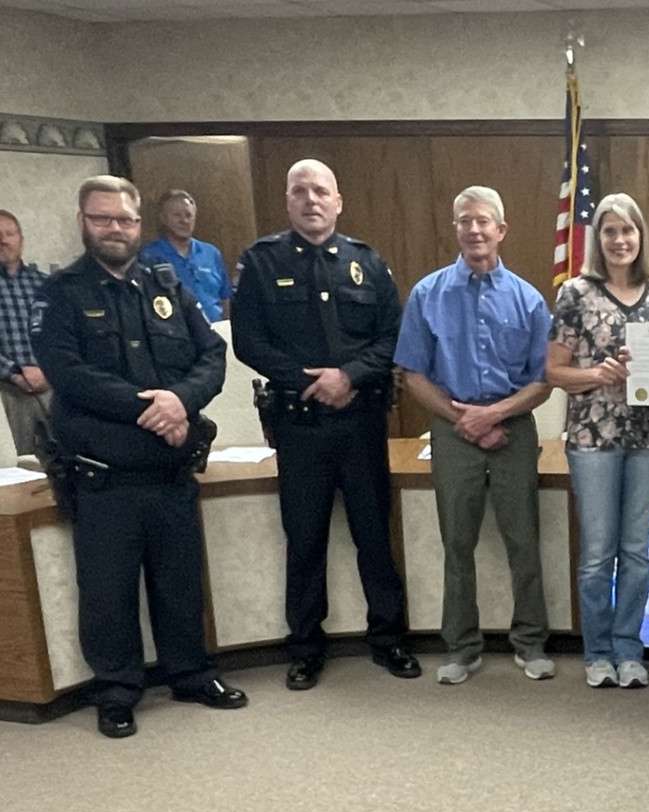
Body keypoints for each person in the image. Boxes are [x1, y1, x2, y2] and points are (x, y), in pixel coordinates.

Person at [32, 175, 243, 738]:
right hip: (105, 478)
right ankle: (118, 691)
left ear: (137, 224)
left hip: (170, 470)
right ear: (84, 223)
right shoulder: (61, 293)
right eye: (103, 219)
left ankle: (191, 673)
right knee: (108, 592)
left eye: (124, 219)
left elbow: (211, 353)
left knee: (180, 583)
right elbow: (68, 374)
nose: (115, 229)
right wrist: (153, 407)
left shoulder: (165, 283)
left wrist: (182, 400)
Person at [231, 158, 419, 689]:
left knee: (374, 537)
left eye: (321, 191)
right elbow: (248, 341)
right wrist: (311, 380)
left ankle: (388, 639)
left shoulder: (367, 262)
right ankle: (305, 647)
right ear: (288, 202)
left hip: (360, 424)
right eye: (300, 191)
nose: (311, 200)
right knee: (305, 539)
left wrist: (350, 376)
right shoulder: (261, 262)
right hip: (300, 426)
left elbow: (391, 336)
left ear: (338, 202)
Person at [396, 185, 554, 686]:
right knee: (456, 543)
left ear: (501, 230)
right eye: (465, 220)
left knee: (523, 542)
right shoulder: (427, 294)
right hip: (451, 431)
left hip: (514, 430)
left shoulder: (529, 300)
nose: (474, 229)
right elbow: (412, 374)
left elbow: (543, 380)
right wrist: (463, 420)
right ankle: (461, 648)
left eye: (483, 221)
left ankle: (530, 643)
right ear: (456, 229)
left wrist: (495, 416)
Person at [548, 192, 649, 690]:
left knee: (637, 550)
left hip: (647, 437)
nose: (620, 240)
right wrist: (598, 373)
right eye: (610, 231)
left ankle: (629, 648)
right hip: (592, 438)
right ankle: (597, 650)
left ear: (641, 237)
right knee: (598, 552)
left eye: (628, 230)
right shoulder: (575, 293)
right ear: (598, 239)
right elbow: (553, 371)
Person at [1, 209, 52, 455]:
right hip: (7, 391)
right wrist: (14, 372)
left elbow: (64, 335)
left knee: (68, 460)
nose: (4, 240)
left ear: (21, 239)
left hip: (52, 385)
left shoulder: (46, 284)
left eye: (10, 233)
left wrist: (47, 371)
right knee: (17, 465)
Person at [140, 189, 233, 323]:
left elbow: (225, 297)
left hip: (217, 332)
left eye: (188, 215)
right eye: (177, 215)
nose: (184, 220)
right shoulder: (148, 256)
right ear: (163, 218)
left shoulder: (211, 253)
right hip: (176, 335)